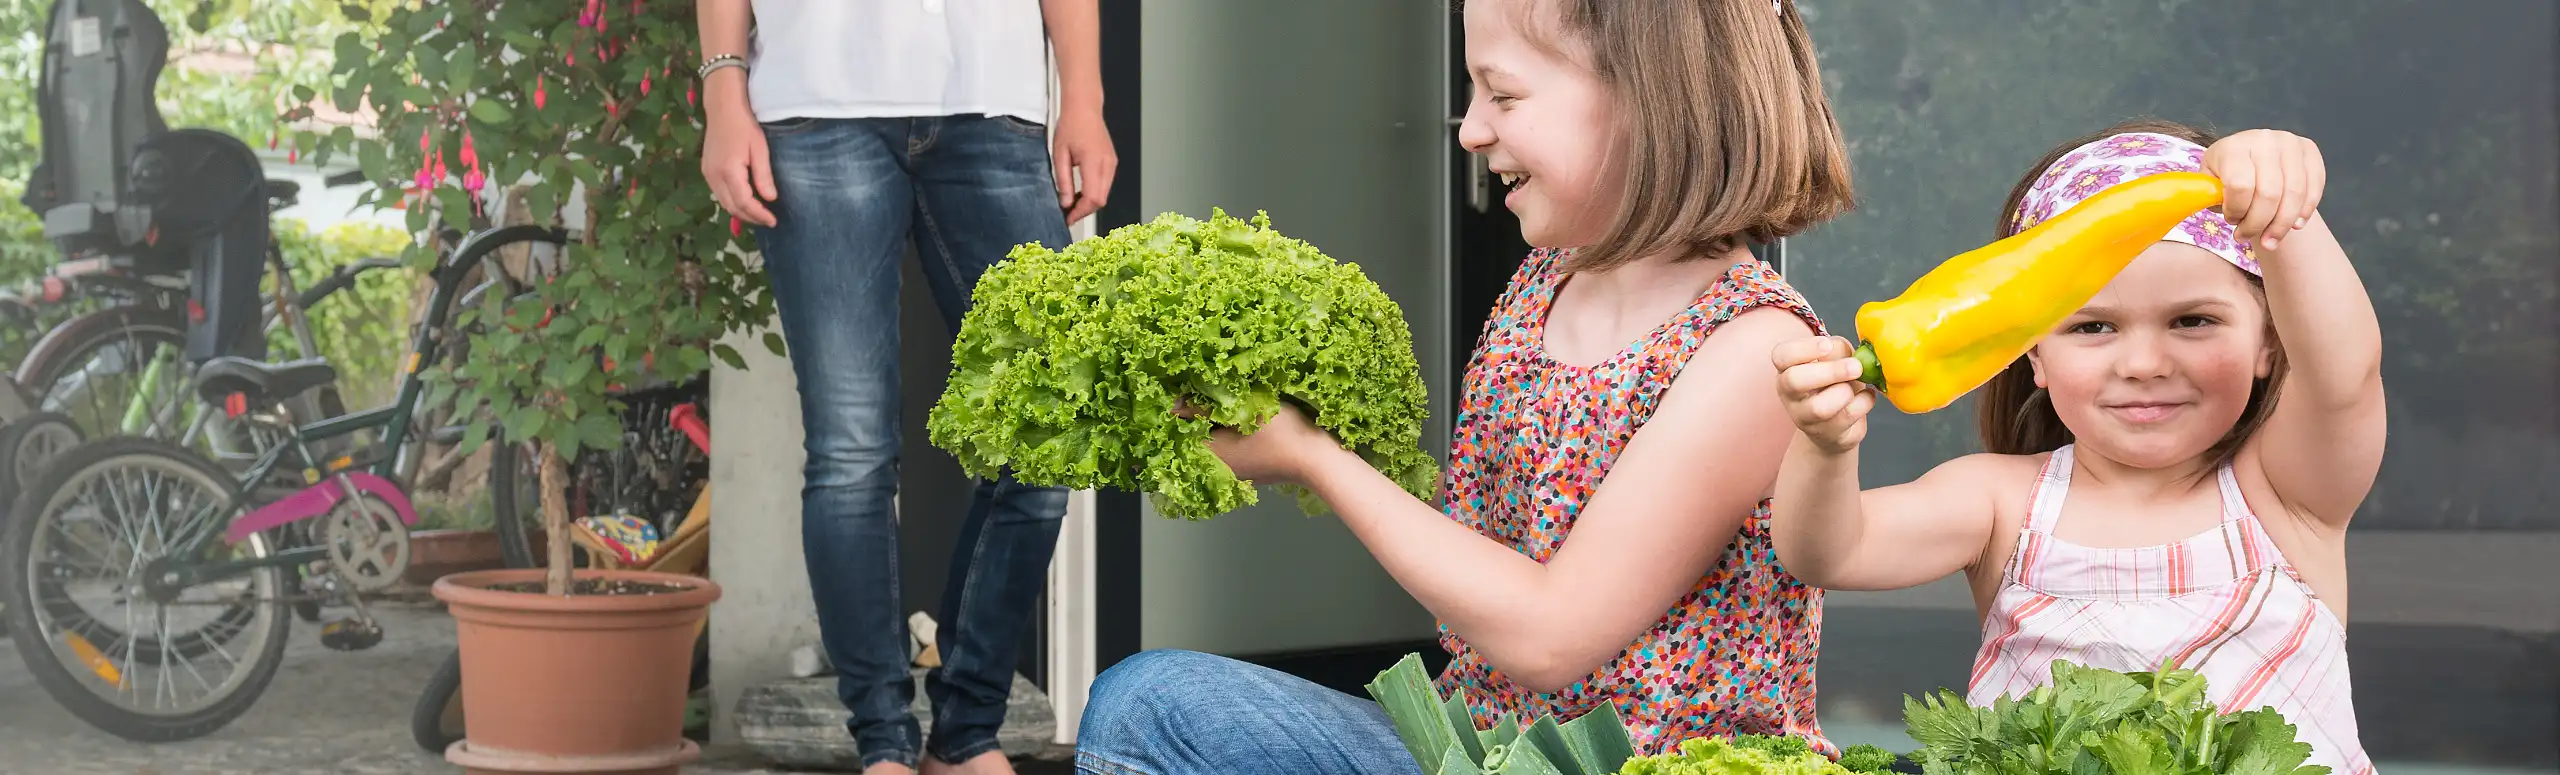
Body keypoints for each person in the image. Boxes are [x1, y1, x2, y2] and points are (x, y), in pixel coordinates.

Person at [1072, 1, 1854, 772]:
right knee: (1147, 705)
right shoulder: (1551, 277)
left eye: (1504, 94)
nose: (1471, 128)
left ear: (1650, 101)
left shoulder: (1755, 349)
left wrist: (1315, 457)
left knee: (1152, 703)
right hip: (1477, 746)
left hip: (1632, 765)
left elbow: (1553, 634)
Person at [1768, 120, 2379, 775]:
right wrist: (1824, 444)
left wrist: (2287, 215)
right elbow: (1829, 550)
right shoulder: (2001, 500)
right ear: (2033, 352)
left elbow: (2343, 375)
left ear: (2269, 340)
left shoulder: (2287, 492)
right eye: (2094, 326)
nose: (2144, 362)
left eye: (2193, 320)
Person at [694, 2, 1117, 774]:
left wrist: (1082, 95)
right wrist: (724, 91)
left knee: (1047, 426)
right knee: (850, 451)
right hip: (815, 106)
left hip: (994, 102)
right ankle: (883, 742)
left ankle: (965, 734)